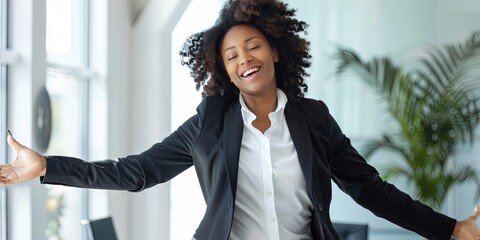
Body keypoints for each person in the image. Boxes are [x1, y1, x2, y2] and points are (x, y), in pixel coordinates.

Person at [1, 0, 480, 239]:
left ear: (275, 49)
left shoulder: (314, 119)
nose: (243, 59)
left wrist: (451, 230)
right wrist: (46, 166)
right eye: (231, 55)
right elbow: (137, 172)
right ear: (223, 69)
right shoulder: (210, 122)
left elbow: (370, 188)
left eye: (252, 46)